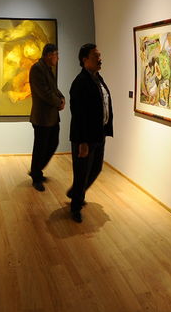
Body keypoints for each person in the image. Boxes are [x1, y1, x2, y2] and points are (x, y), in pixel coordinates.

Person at [68, 43, 113, 223]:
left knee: (96, 168)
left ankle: (76, 193)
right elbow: (78, 115)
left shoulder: (98, 79)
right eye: (96, 56)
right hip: (85, 137)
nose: (100, 59)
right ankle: (75, 206)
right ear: (85, 59)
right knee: (82, 173)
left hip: (99, 133)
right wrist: (83, 142)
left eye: (99, 55)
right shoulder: (80, 82)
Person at [28, 43, 65, 191]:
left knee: (52, 143)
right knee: (40, 147)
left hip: (51, 116)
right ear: (49, 55)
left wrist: (62, 98)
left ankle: (36, 170)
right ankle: (36, 176)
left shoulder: (47, 69)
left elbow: (53, 89)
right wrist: (59, 102)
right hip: (42, 117)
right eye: (56, 55)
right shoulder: (37, 69)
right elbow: (44, 92)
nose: (58, 58)